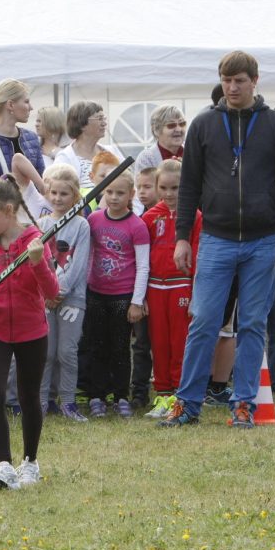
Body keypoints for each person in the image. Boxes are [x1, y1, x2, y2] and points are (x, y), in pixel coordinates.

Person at [161, 50, 275, 429]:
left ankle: (243, 402)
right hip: (217, 238)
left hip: (264, 239)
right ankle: (187, 402)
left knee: (253, 323)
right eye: (226, 80)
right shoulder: (205, 125)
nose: (232, 87)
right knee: (203, 320)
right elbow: (188, 186)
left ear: (255, 81)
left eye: (239, 80)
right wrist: (182, 238)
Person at [0, 177, 58, 490]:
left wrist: (37, 263)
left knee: (28, 395)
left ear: (8, 210)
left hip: (32, 331)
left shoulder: (35, 241)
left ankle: (30, 462)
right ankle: (4, 464)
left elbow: (52, 291)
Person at [84, 171, 150, 418]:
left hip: (123, 296)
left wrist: (136, 301)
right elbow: (85, 254)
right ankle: (96, 396)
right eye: (109, 192)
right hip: (96, 293)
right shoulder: (94, 220)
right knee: (96, 346)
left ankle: (121, 395)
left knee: (121, 348)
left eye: (120, 193)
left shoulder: (137, 226)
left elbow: (143, 265)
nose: (113, 197)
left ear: (131, 195)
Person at [142, 160, 201, 418]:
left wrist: (196, 291)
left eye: (175, 187)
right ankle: (163, 395)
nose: (169, 193)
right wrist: (141, 295)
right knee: (159, 342)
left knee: (180, 341)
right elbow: (141, 260)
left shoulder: (196, 217)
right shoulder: (149, 218)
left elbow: (198, 253)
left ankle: (180, 393)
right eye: (163, 187)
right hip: (155, 287)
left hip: (181, 286)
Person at [37, 164, 90, 421]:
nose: (58, 198)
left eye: (64, 194)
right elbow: (38, 263)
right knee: (46, 352)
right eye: (54, 193)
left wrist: (60, 290)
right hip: (45, 299)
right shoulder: (41, 225)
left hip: (72, 299)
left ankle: (68, 402)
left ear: (75, 196)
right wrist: (47, 291)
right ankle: (43, 401)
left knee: (66, 351)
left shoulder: (81, 226)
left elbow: (79, 264)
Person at [130, 166, 158, 409]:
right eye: (139, 187)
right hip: (142, 292)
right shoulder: (141, 221)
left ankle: (168, 387)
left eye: (147, 187)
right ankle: (139, 393)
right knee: (141, 344)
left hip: (166, 291)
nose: (141, 192)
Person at [54, 101, 121, 188]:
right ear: (82, 124)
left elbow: (128, 180)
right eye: (99, 119)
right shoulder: (65, 158)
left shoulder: (111, 151)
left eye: (104, 118)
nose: (104, 123)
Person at [135, 105, 186, 171]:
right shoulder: (147, 158)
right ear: (156, 130)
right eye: (171, 125)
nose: (179, 129)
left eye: (182, 124)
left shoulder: (194, 151)